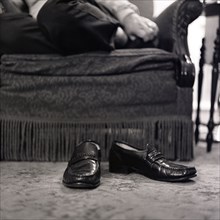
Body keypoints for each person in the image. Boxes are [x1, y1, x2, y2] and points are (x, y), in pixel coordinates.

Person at [0, 0, 197, 188]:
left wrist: (126, 15)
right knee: (7, 27)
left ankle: (112, 33)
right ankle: (111, 37)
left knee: (55, 12)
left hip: (75, 10)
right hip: (50, 29)